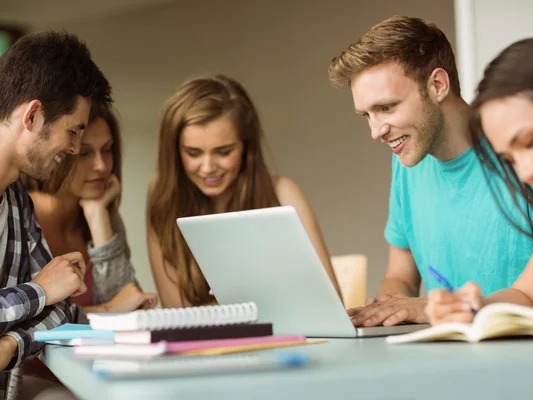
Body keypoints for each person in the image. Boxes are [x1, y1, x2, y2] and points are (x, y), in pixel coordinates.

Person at [328, 15, 533, 328]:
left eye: (387, 107)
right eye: (366, 115)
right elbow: (529, 293)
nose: (523, 172)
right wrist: (464, 306)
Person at [425, 37, 533, 324]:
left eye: (529, 142)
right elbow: (528, 294)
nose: (525, 174)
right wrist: (474, 305)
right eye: (510, 159)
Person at [147, 74, 342, 307]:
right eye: (193, 153)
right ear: (175, 153)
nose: (208, 168)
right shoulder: (161, 192)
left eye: (223, 151)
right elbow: (176, 312)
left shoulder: (282, 193)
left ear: (246, 147)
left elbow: (331, 304)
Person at [0, 30, 112, 399]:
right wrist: (40, 289)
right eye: (73, 131)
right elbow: (50, 292)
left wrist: (11, 344)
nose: (76, 148)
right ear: (32, 115)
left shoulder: (17, 201)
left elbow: (60, 306)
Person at [24, 103, 158, 319]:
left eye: (107, 150)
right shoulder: (23, 213)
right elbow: (20, 317)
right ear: (61, 151)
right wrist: (106, 311)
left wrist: (97, 216)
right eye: (85, 153)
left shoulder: (104, 216)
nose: (102, 166)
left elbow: (129, 308)